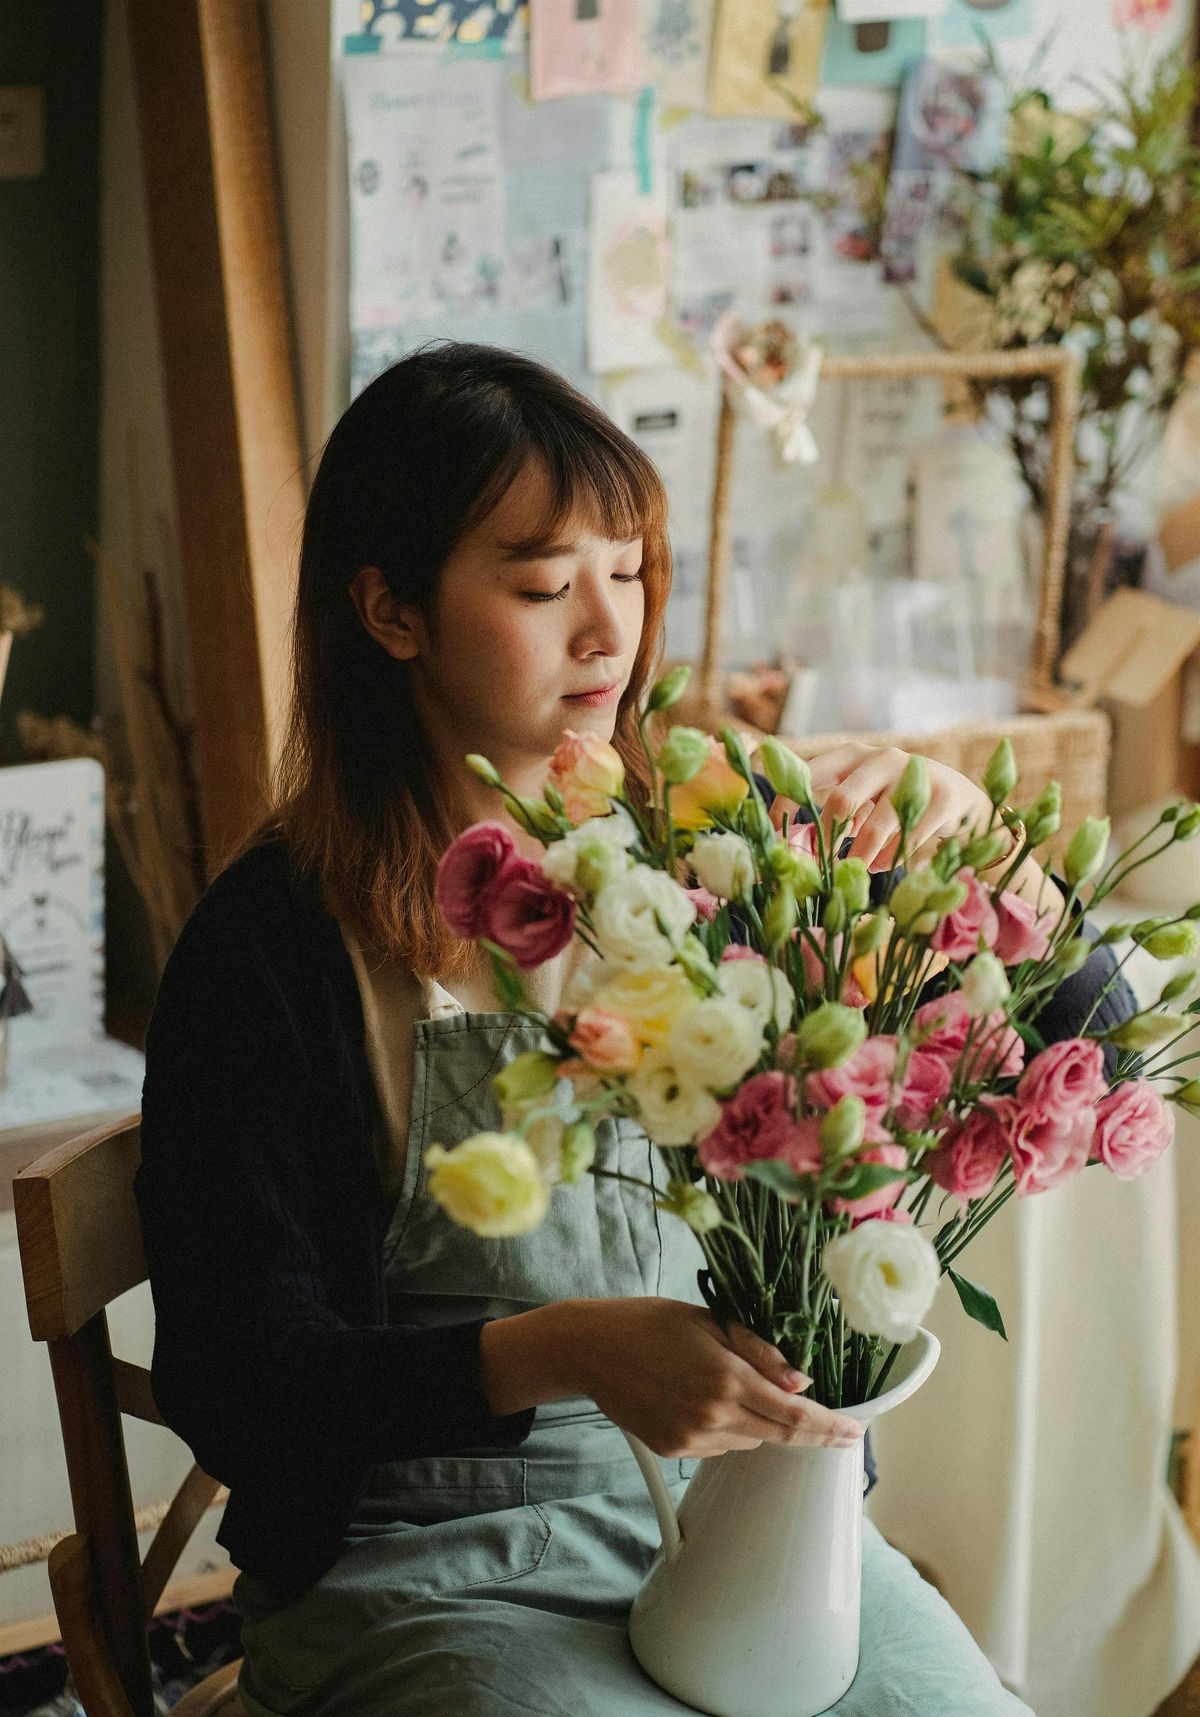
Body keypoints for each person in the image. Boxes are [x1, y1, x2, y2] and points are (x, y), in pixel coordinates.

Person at [136, 342, 1125, 1716]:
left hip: (753, 1522)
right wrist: (558, 1350)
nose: (611, 631)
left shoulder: (722, 854)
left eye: (631, 568)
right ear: (390, 610)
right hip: (418, 1565)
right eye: (543, 585)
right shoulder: (273, 948)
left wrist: (988, 857)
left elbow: (1103, 1044)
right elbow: (239, 1382)